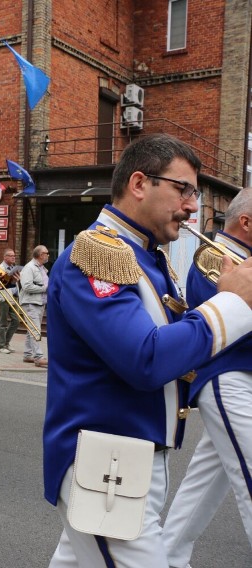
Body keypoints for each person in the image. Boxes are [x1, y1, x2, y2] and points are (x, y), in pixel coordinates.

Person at [43, 133, 252, 566]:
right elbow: (146, 358)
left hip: (130, 461)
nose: (193, 206)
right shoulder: (99, 252)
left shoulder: (149, 260)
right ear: (140, 184)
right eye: (184, 190)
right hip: (105, 463)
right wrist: (233, 303)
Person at [162, 187, 252, 568]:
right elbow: (223, 319)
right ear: (246, 222)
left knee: (200, 490)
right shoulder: (213, 257)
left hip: (241, 379)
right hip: (228, 376)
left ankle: (165, 559)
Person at [19, 245, 49, 367]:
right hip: (30, 303)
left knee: (31, 329)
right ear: (41, 255)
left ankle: (27, 354)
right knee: (35, 330)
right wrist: (45, 289)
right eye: (46, 253)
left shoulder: (42, 268)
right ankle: (38, 357)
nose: (48, 255)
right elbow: (26, 286)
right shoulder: (29, 268)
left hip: (39, 303)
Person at [0, 248, 21, 354]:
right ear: (5, 257)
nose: (13, 257)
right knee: (3, 322)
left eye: (14, 255)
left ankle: (7, 342)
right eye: (10, 255)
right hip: (4, 297)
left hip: (13, 296)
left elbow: (14, 283)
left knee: (16, 320)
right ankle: (1, 345)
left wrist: (17, 280)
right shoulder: (0, 268)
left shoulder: (13, 268)